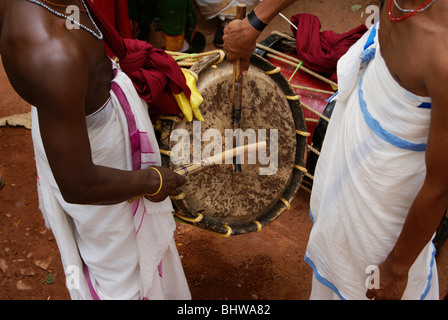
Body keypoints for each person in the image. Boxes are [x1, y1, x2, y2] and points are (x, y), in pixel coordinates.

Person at [223, 0, 448, 300]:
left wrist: (397, 268)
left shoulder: (442, 52)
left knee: (367, 278)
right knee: (338, 245)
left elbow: (439, 186)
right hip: (359, 128)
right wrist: (255, 22)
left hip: (391, 193)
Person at [0, 0, 191, 300]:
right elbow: (79, 184)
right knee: (122, 269)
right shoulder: (53, 55)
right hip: (94, 157)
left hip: (76, 124)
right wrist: (152, 181)